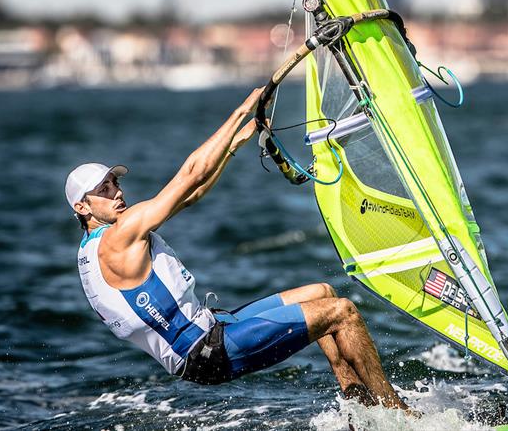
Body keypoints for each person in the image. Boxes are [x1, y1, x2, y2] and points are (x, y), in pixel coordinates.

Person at [67, 87, 410, 411]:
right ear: (83, 208)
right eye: (104, 189)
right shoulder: (119, 237)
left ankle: (358, 405)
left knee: (321, 292)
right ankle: (398, 415)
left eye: (115, 183)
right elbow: (191, 174)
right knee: (343, 312)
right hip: (207, 350)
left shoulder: (94, 248)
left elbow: (191, 196)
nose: (117, 192)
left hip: (212, 329)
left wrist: (235, 144)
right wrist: (242, 110)